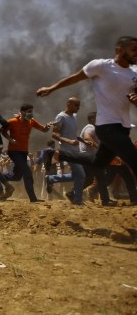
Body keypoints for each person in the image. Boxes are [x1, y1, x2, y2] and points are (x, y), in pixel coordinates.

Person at [37, 36, 137, 206]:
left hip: (123, 127)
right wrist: (51, 88)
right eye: (133, 49)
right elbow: (75, 78)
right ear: (119, 50)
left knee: (98, 162)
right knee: (135, 160)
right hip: (107, 126)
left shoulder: (134, 72)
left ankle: (60, 154)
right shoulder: (101, 66)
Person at [1, 104, 53, 202]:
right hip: (13, 151)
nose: (31, 114)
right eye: (29, 111)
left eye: (31, 111)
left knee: (16, 177)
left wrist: (47, 126)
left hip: (23, 152)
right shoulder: (12, 122)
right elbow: (3, 131)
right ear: (22, 112)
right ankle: (33, 198)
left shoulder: (31, 121)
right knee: (27, 172)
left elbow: (43, 129)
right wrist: (10, 139)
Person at [44, 97, 86, 205]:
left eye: (79, 105)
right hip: (66, 150)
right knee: (81, 175)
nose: (78, 107)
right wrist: (69, 141)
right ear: (69, 104)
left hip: (75, 149)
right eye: (76, 105)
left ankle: (51, 179)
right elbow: (54, 134)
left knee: (78, 174)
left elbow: (72, 134)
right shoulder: (61, 117)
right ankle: (77, 200)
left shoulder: (75, 117)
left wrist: (83, 141)